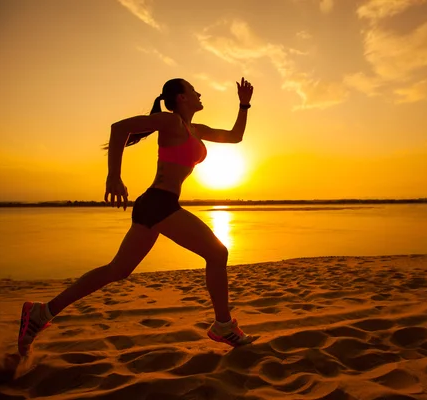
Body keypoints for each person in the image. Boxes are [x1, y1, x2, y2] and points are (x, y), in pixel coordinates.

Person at [18, 77, 257, 356]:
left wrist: (243, 104)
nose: (199, 93)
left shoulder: (195, 129)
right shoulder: (171, 122)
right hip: (159, 203)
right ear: (181, 97)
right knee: (217, 253)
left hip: (155, 204)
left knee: (117, 270)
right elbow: (119, 129)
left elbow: (235, 136)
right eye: (193, 90)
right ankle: (223, 325)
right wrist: (114, 177)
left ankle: (41, 312)